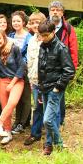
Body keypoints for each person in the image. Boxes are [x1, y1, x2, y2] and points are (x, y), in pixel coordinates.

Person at [37, 21, 75, 155]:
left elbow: (69, 71)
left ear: (53, 32)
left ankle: (58, 144)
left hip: (55, 88)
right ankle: (48, 146)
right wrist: (41, 90)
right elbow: (41, 69)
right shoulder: (42, 46)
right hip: (44, 87)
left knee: (47, 120)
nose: (43, 38)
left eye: (46, 35)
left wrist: (58, 87)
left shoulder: (61, 48)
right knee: (50, 120)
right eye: (41, 35)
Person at [0, 29, 25, 145]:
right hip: (2, 81)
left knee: (12, 103)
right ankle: (7, 133)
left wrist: (12, 83)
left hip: (16, 80)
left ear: (4, 38)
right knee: (5, 108)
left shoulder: (13, 48)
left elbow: (21, 66)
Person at [48, 1, 78, 126]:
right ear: (49, 12)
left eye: (58, 10)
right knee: (47, 93)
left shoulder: (68, 29)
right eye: (53, 9)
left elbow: (73, 49)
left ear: (62, 12)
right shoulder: (44, 26)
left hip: (62, 67)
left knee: (59, 93)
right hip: (47, 66)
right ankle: (49, 118)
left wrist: (73, 68)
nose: (55, 12)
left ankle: (59, 120)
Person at [24, 12, 47, 146]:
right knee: (37, 107)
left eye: (38, 22)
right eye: (32, 22)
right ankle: (35, 134)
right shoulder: (31, 40)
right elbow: (30, 62)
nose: (35, 25)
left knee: (49, 107)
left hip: (47, 80)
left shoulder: (48, 39)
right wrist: (31, 80)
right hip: (34, 80)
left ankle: (52, 137)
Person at [8, 11, 32, 135]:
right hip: (13, 71)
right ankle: (16, 122)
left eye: (18, 21)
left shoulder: (29, 37)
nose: (16, 23)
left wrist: (22, 66)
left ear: (23, 22)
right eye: (14, 21)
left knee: (26, 97)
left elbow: (29, 55)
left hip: (25, 70)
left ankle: (22, 123)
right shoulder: (10, 36)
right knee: (16, 96)